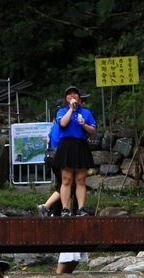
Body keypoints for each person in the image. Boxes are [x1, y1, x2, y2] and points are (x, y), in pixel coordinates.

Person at [53, 86, 97, 217]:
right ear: (66, 98)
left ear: (79, 97)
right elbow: (63, 124)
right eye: (69, 95)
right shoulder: (62, 111)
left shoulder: (86, 113)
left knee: (81, 179)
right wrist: (72, 109)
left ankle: (81, 208)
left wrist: (84, 124)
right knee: (66, 179)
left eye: (75, 94)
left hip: (81, 144)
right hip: (66, 145)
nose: (73, 96)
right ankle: (65, 208)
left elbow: (94, 131)